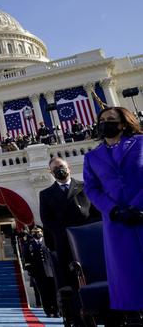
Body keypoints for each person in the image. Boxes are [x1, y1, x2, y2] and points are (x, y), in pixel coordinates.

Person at [83, 107, 143, 314]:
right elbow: (92, 189)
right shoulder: (92, 157)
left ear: (123, 123)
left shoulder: (141, 143)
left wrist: (137, 206)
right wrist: (114, 210)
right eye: (102, 120)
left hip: (141, 213)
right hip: (117, 223)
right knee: (128, 276)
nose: (105, 123)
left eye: (111, 119)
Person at [23, 227, 59, 317]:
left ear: (42, 232)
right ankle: (48, 311)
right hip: (38, 273)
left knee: (53, 291)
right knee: (43, 293)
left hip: (50, 272)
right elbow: (26, 259)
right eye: (34, 232)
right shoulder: (29, 244)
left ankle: (56, 310)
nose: (37, 234)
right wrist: (31, 271)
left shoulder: (48, 242)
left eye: (38, 232)